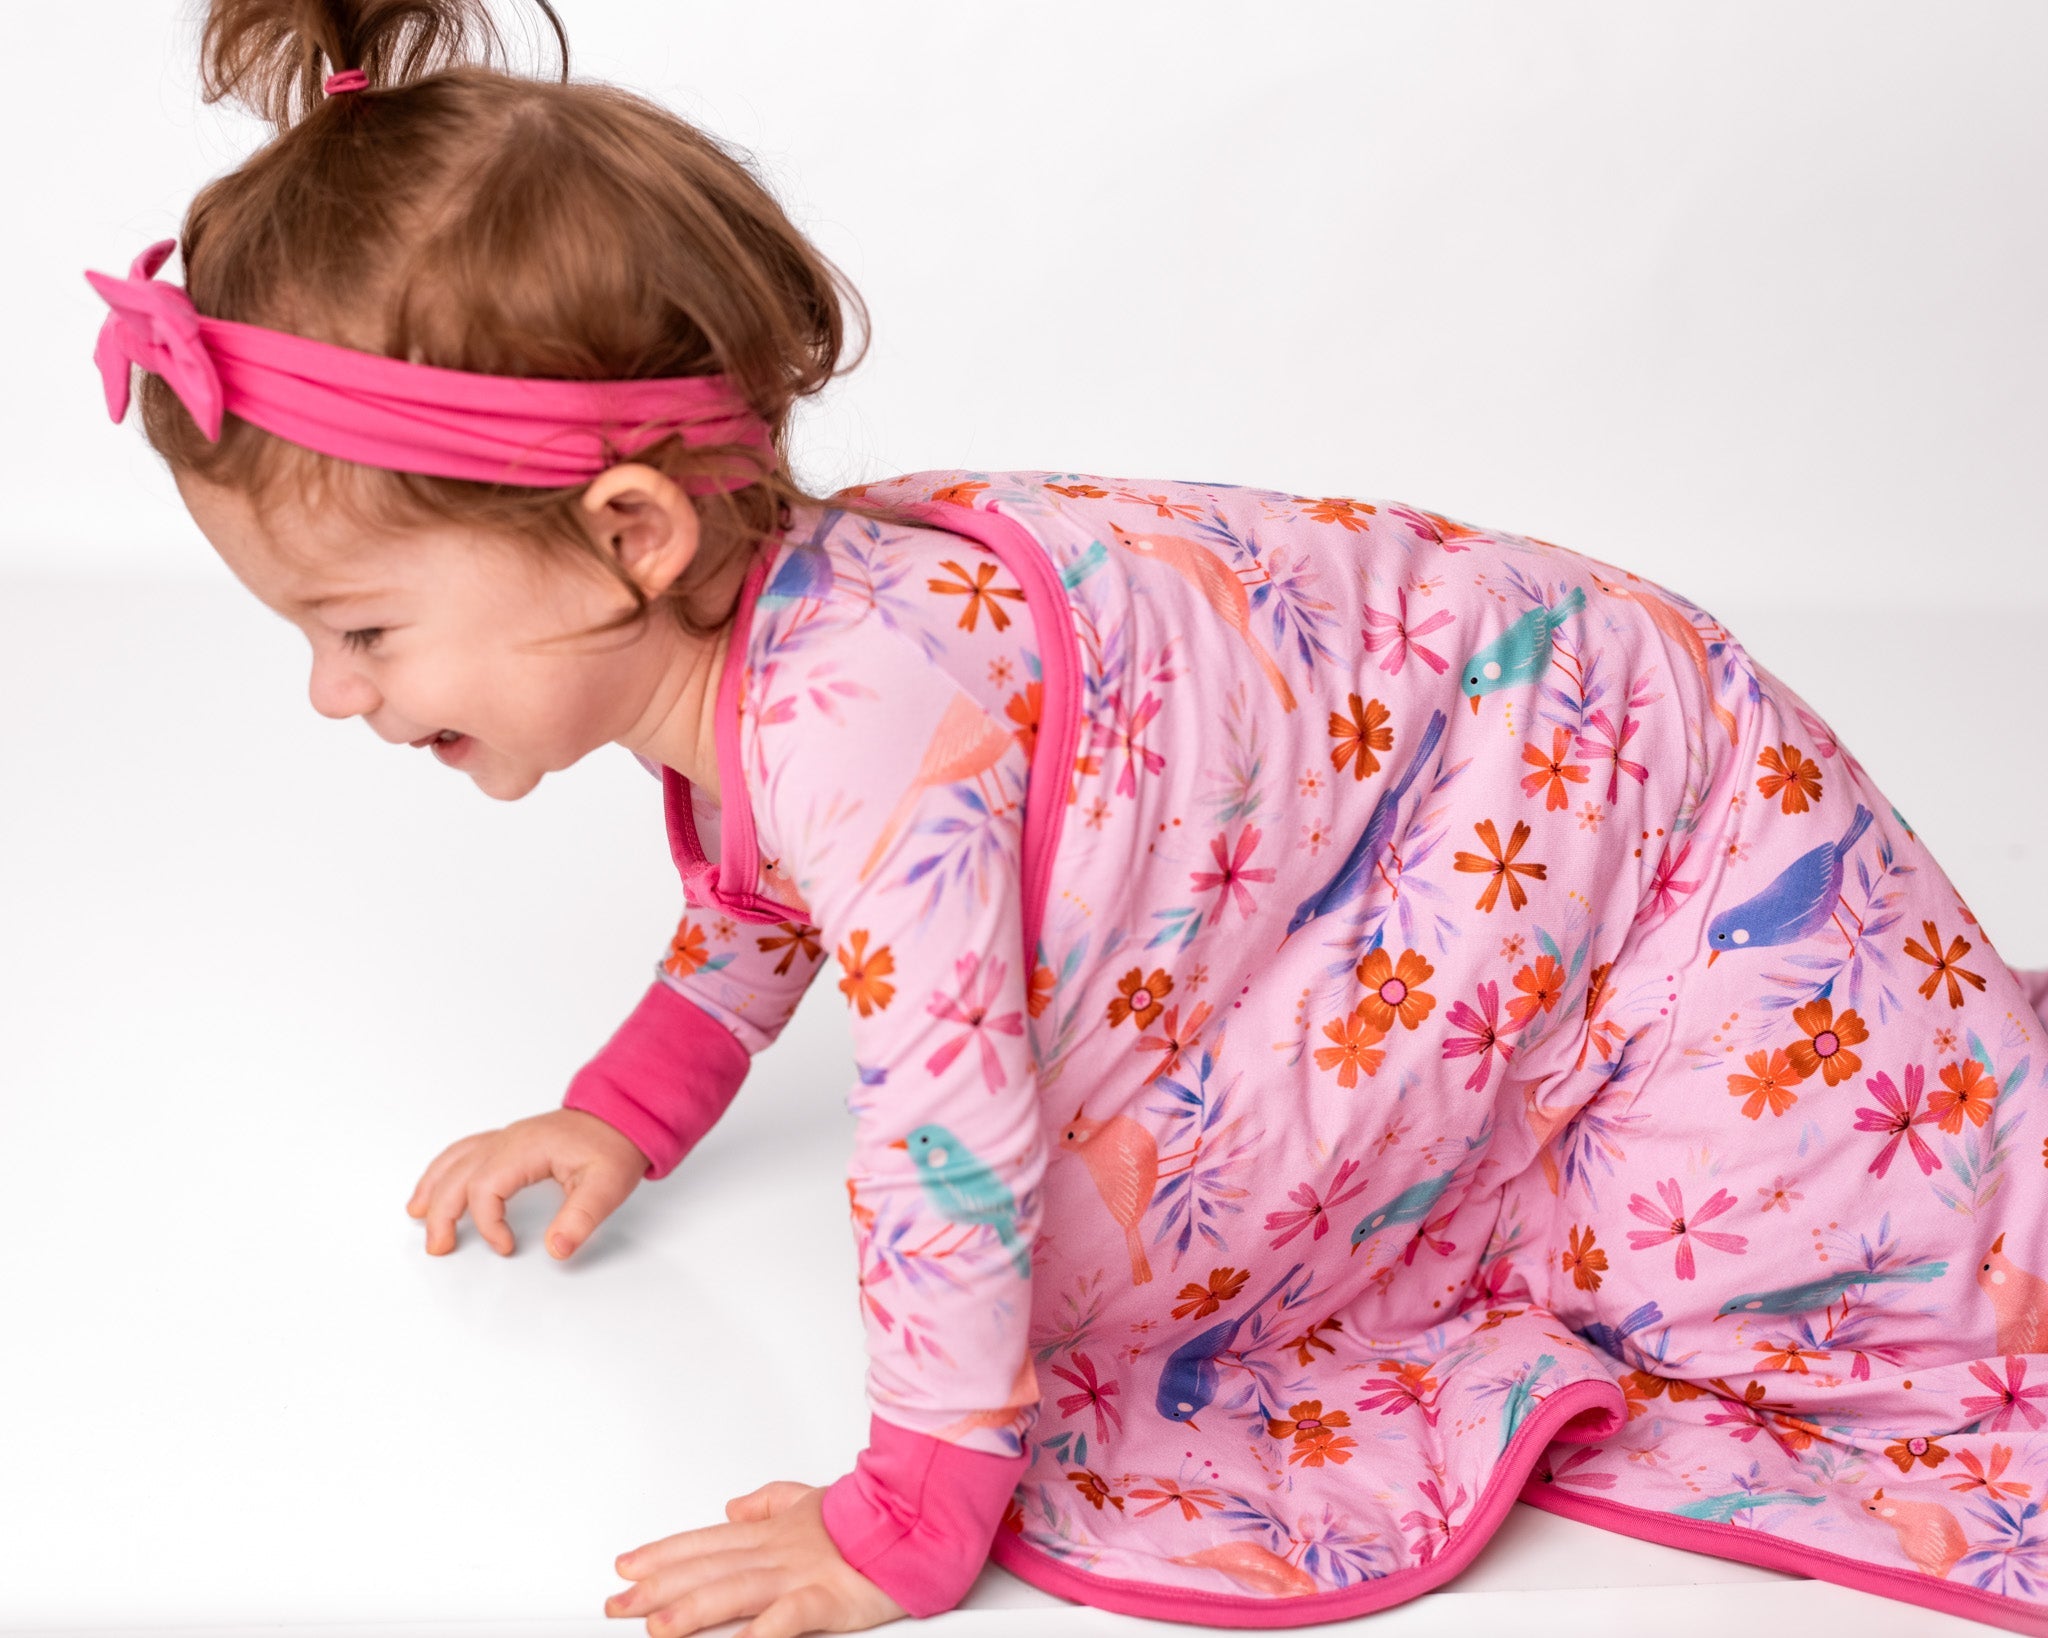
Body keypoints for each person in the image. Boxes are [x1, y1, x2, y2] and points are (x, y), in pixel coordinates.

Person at [88, 3, 2048, 1635]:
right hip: (1533, 741)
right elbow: (767, 900)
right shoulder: (766, 653)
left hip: (1616, 795)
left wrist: (905, 1521)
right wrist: (622, 1112)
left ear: (632, 533)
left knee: (1844, 1245)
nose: (332, 693)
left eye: (361, 630)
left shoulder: (862, 710)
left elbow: (950, 1135)